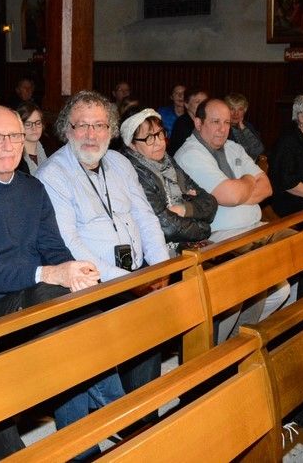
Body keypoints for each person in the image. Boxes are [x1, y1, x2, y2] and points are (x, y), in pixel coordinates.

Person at [0, 106, 123, 457]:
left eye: (15, 136)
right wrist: (50, 274)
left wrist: (72, 270)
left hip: (36, 296)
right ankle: (122, 415)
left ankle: (82, 446)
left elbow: (53, 248)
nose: (9, 145)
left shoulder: (32, 188)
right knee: (63, 312)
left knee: (78, 312)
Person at [36, 92, 169, 403]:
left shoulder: (120, 163)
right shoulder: (53, 175)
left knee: (156, 320)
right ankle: (132, 415)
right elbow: (70, 243)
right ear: (66, 130)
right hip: (94, 283)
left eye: (99, 125)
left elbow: (145, 217)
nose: (91, 134)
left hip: (136, 274)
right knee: (139, 320)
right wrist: (129, 282)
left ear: (111, 129)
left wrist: (162, 267)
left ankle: (145, 412)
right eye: (82, 125)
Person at [175, 98, 291, 341]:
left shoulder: (233, 147)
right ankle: (233, 345)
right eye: (215, 122)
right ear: (198, 123)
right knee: (260, 282)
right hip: (221, 236)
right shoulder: (190, 153)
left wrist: (238, 191)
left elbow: (267, 187)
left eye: (227, 123)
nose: (222, 129)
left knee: (294, 259)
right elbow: (230, 195)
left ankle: (265, 337)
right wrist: (248, 180)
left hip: (254, 228)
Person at [120, 108, 217, 253]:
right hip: (156, 252)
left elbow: (210, 202)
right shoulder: (132, 172)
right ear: (132, 144)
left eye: (160, 133)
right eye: (149, 138)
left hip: (185, 244)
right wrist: (204, 228)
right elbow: (167, 227)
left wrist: (184, 209)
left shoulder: (168, 162)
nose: (159, 142)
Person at [168, 86, 208, 155]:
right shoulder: (182, 125)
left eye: (205, 102)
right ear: (186, 105)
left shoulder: (207, 121)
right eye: (197, 102)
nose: (203, 105)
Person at [224, 92, 265, 161]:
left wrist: (243, 129)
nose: (236, 113)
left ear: (244, 111)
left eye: (240, 109)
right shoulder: (223, 127)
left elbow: (259, 150)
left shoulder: (247, 126)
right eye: (232, 109)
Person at [16, 102, 47, 175]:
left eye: (38, 123)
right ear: (19, 126)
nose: (34, 128)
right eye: (28, 124)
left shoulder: (50, 151)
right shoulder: (15, 160)